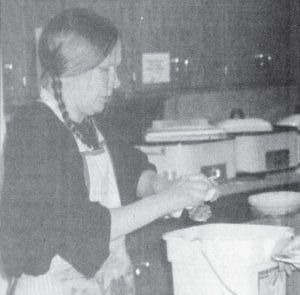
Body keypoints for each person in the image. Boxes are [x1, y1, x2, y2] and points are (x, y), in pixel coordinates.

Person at [0, 7, 218, 295]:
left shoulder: (92, 121)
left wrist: (167, 187)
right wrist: (168, 200)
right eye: (106, 70)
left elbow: (132, 170)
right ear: (70, 69)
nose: (116, 82)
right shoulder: (34, 129)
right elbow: (82, 228)